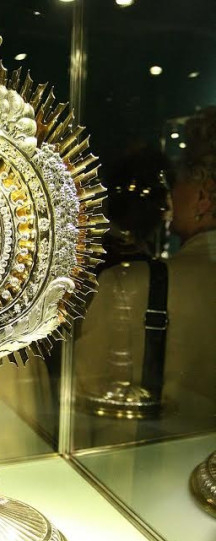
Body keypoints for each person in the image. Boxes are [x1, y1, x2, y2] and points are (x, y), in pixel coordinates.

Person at [75, 107, 216, 421]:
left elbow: (83, 403)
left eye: (176, 181)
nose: (168, 195)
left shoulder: (127, 284)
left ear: (203, 197)